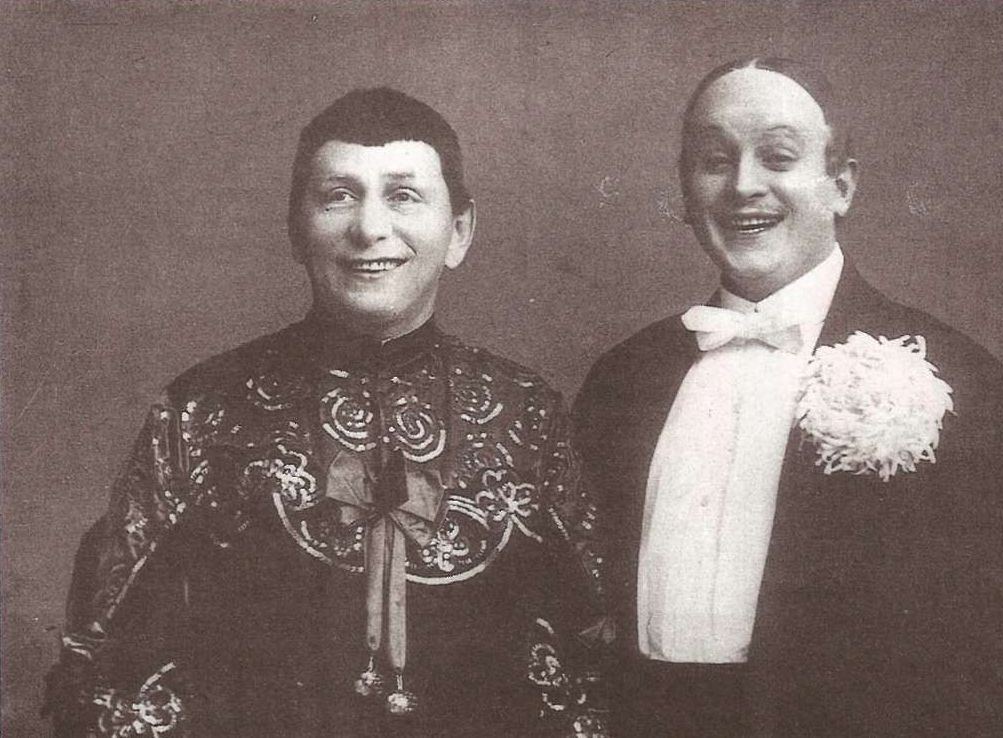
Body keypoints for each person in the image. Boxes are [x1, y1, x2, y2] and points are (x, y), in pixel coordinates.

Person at [43, 88, 606, 737]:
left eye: (404, 195)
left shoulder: (526, 412)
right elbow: (109, 666)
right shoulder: (204, 411)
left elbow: (587, 661)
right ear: (295, 229)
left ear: (459, 231)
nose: (369, 228)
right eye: (339, 196)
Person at [572, 57, 1003, 737]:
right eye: (714, 161)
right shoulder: (625, 380)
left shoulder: (960, 382)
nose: (743, 185)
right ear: (686, 191)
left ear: (841, 185)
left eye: (778, 157)